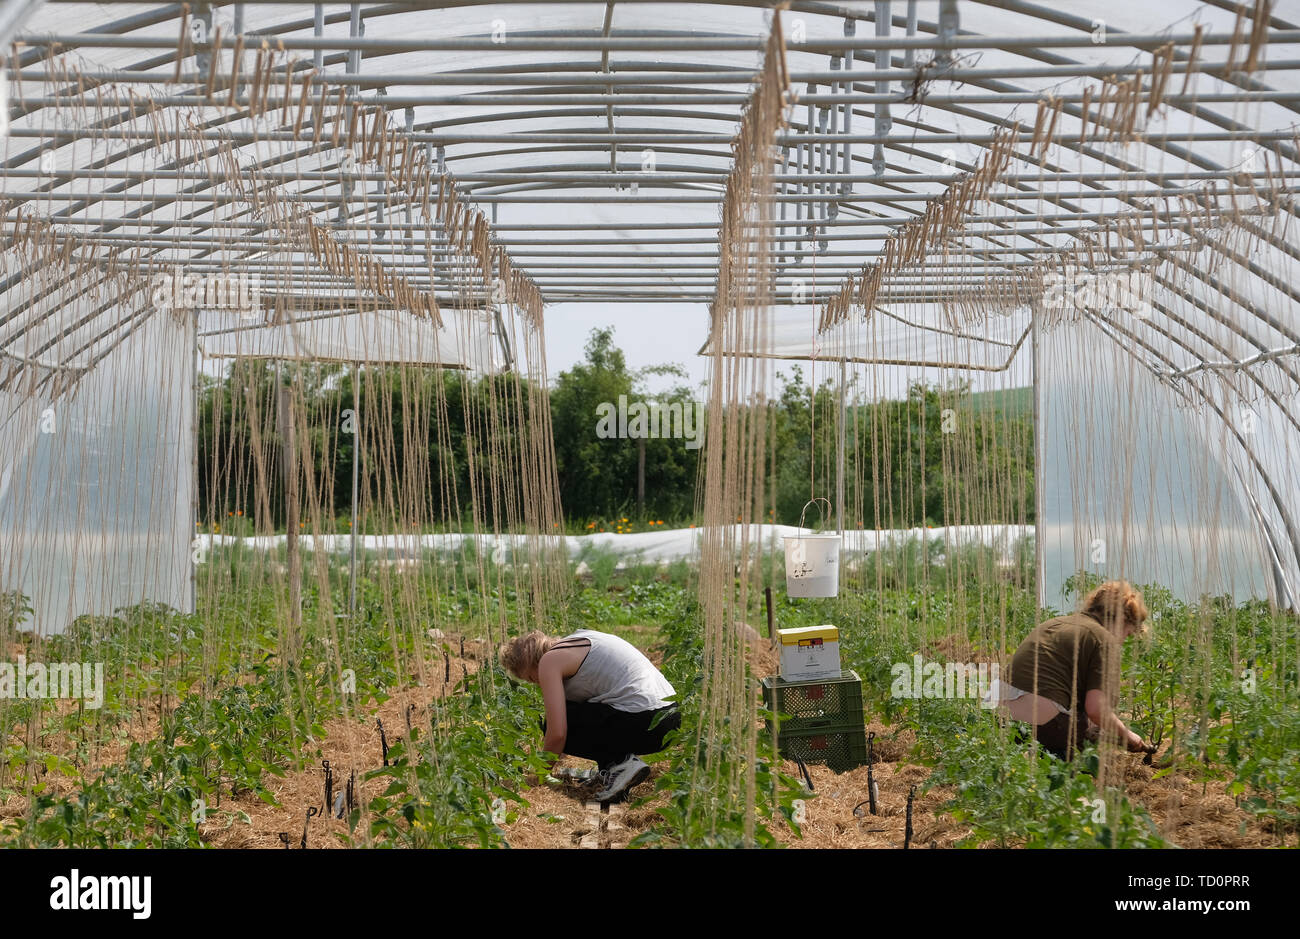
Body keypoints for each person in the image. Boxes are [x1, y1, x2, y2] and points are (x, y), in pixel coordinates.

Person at [501, 628, 681, 802]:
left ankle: (621, 764)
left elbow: (557, 733)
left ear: (531, 661)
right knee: (575, 712)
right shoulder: (579, 641)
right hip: (670, 718)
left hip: (646, 720)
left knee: (550, 723)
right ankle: (613, 771)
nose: (537, 683)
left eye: (531, 678)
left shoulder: (549, 662)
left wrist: (539, 776)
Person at [989, 581, 1154, 761]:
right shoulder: (1104, 639)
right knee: (1077, 746)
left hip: (993, 715)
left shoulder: (1056, 622)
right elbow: (1096, 709)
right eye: (1127, 634)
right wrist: (1128, 735)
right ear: (1121, 620)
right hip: (1036, 720)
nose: (1123, 641)